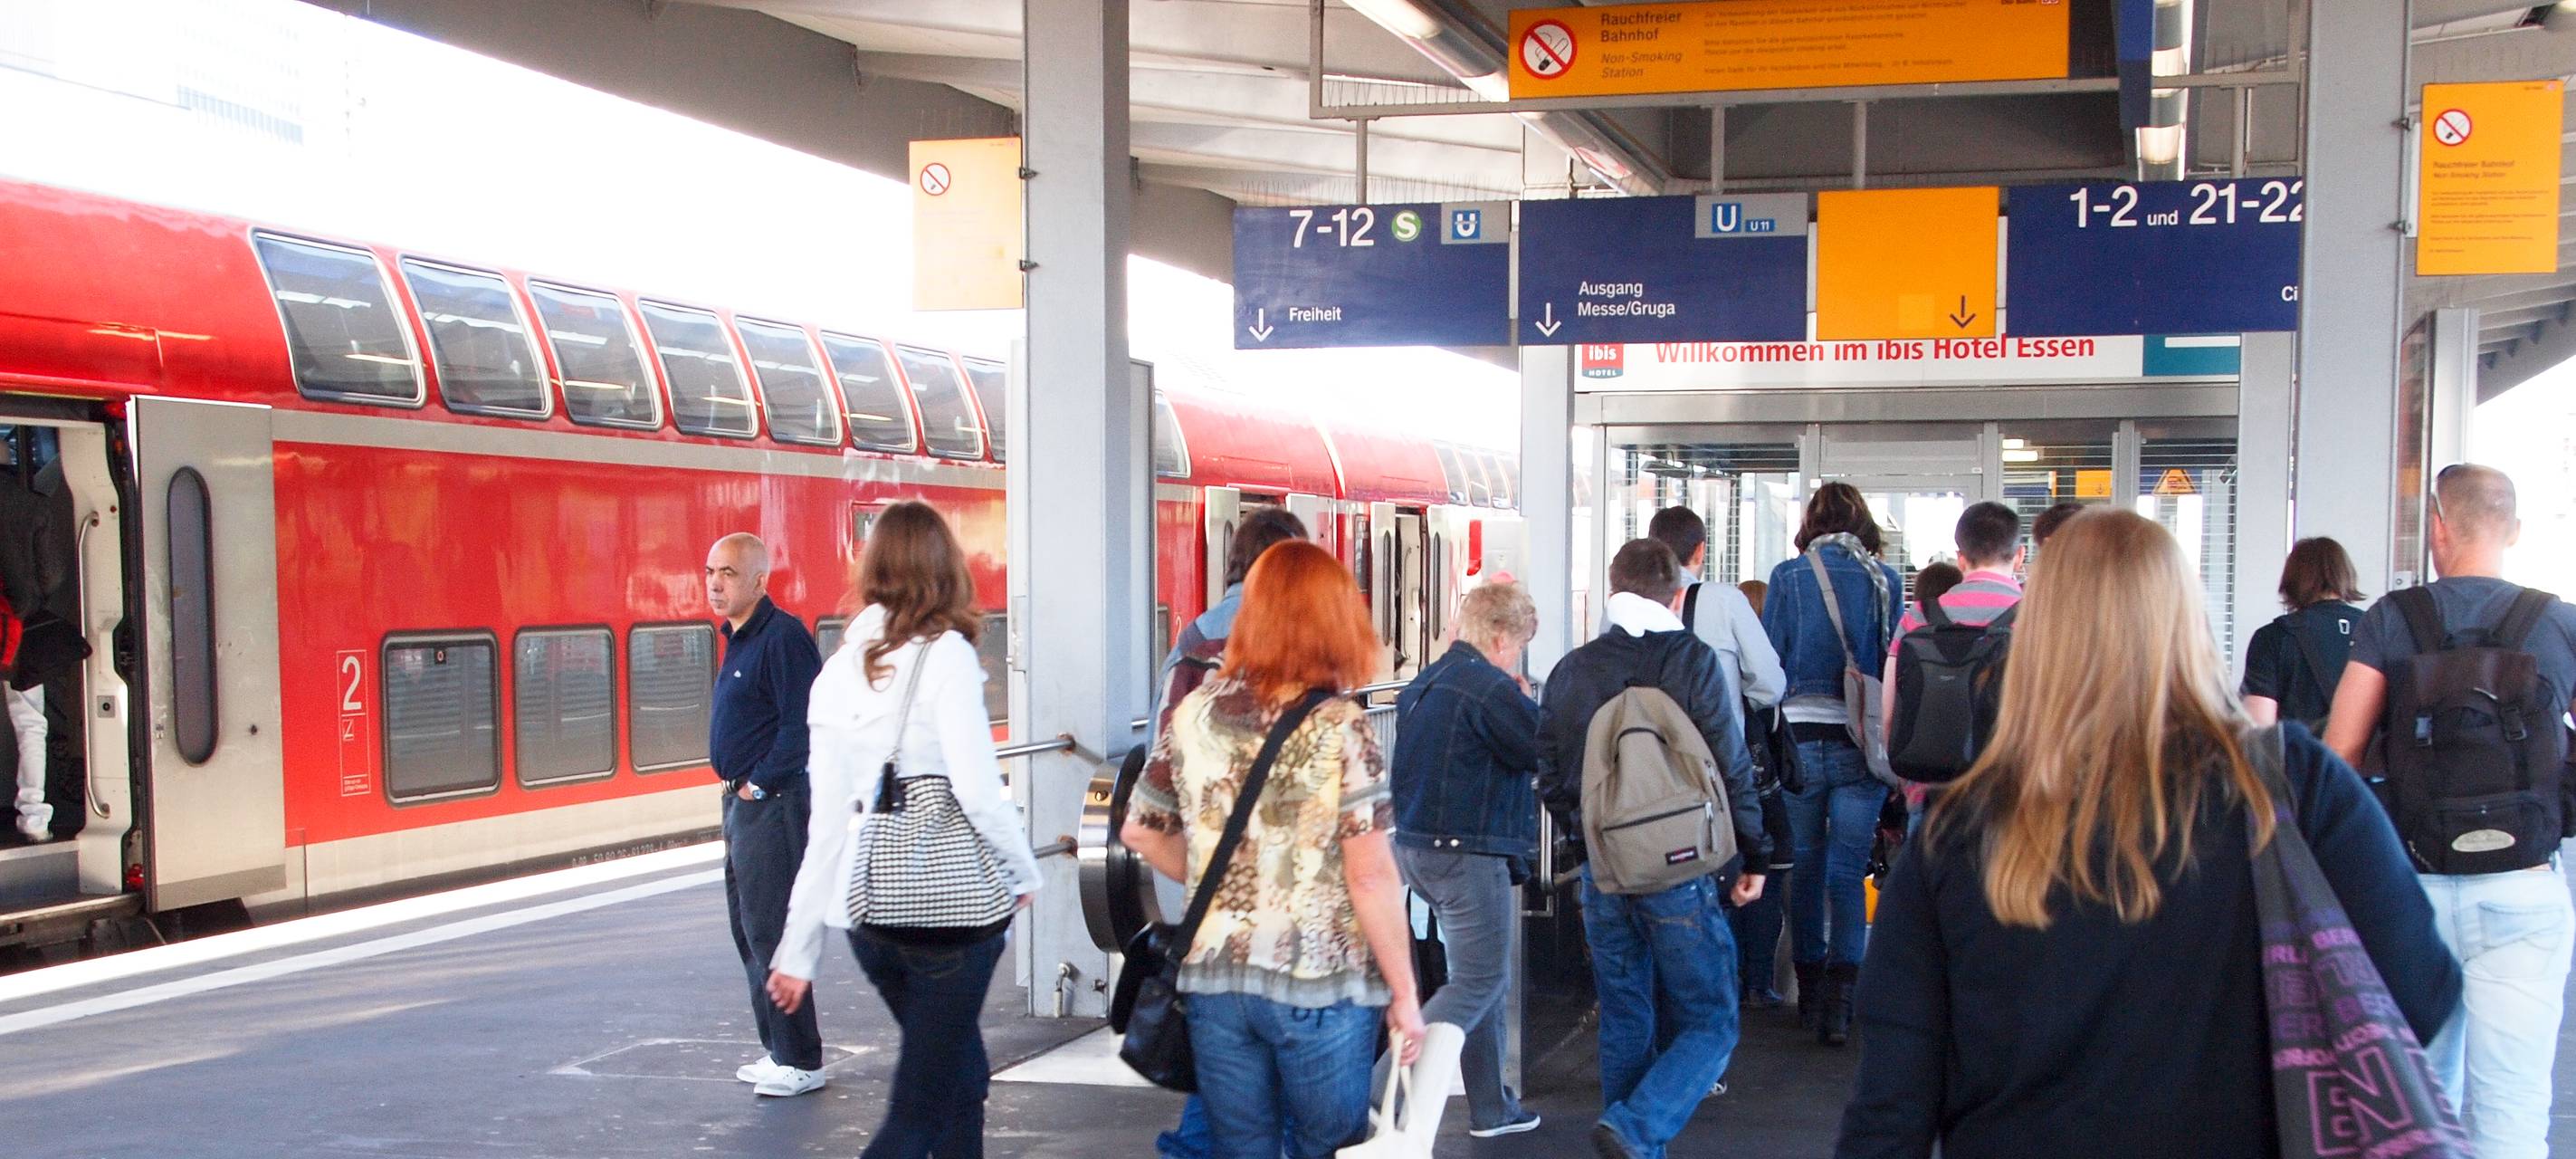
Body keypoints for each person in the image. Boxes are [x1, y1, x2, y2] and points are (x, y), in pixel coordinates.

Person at [1838, 510, 2459, 1159]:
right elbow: (2421, 988)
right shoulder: (2293, 788)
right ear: (2186, 624)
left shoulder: (1958, 830)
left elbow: (1892, 1104)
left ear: (2036, 636)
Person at [1121, 541, 1424, 1159]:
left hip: (1217, 982)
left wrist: (1228, 881)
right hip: (1322, 983)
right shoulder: (1340, 725)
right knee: (1329, 1147)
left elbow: (1141, 829)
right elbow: (1369, 876)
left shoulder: (1195, 712)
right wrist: (1405, 993)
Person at [768, 502, 1041, 1157]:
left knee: (958, 1075)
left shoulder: (835, 672)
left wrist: (797, 951)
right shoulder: (944, 655)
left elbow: (826, 826)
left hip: (873, 918)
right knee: (916, 1113)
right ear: (946, 569)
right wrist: (1022, 873)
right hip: (948, 918)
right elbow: (977, 789)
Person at [2324, 465, 2576, 1159]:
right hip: (2524, 889)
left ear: (2438, 526)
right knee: (2514, 1107)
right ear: (2516, 531)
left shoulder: (2390, 619)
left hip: (2411, 888)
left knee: (2414, 1103)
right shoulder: (2559, 621)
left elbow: (2338, 753)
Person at [1539, 539, 1768, 1159]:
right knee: (1711, 1018)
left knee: (1625, 1013)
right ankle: (1638, 1127)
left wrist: (1588, 845)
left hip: (1603, 871)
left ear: (1612, 589)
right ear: (1676, 594)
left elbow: (1552, 775)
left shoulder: (1573, 668)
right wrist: (1756, 852)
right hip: (1683, 870)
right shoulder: (1691, 661)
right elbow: (1730, 762)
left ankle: (1633, 1134)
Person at [1145, 504, 1307, 1159]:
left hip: (1214, 882)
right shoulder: (1309, 645)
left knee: (1220, 1059)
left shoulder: (1195, 641)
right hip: (1295, 889)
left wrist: (1204, 871)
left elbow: (1161, 761)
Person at [1384, 580, 1543, 1138]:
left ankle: (1492, 1109)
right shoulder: (1489, 690)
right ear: (1501, 637)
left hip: (1417, 849)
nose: (1517, 655)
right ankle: (1374, 1096)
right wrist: (1524, 699)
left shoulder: (1426, 682)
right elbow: (1541, 748)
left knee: (1479, 976)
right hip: (1466, 854)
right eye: (1519, 643)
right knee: (1476, 982)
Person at [1761, 484, 1903, 1046]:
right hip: (1859, 743)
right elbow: (1893, 662)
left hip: (1799, 743)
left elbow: (1770, 663)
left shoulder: (1787, 578)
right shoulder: (1884, 581)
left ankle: (1810, 990)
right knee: (1848, 872)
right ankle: (1843, 1004)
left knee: (1805, 868)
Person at [701, 532, 826, 1097]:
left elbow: (801, 728)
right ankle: (778, 1051)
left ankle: (801, 1059)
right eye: (709, 572)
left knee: (773, 931)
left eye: (727, 572)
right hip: (740, 808)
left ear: (758, 580)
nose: (714, 582)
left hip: (770, 807)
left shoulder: (783, 639)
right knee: (748, 931)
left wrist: (758, 785)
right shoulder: (739, 640)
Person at [1878, 503, 2027, 825]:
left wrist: (1910, 785)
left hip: (1930, 791)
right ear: (2019, 555)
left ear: (1961, 558)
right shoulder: (2038, 617)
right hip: (2010, 798)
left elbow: (1890, 714)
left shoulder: (1917, 617)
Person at [1647, 506, 1786, 710]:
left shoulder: (1621, 608)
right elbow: (1769, 686)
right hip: (1715, 737)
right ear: (1700, 550)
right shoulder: (1725, 600)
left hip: (1642, 738)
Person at [1732, 578, 1795, 1011]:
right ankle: (1760, 981)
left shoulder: (1711, 674)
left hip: (1727, 808)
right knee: (1766, 891)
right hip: (1763, 806)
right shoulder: (1764, 689)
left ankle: (1735, 980)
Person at [2239, 537, 2365, 729]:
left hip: (2302, 756)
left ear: (2292, 579)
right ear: (2345, 574)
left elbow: (2260, 729)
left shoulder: (2274, 637)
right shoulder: (2374, 630)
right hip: (2363, 757)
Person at [0, 456, 46, 842]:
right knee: (30, 723)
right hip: (17, 630)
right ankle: (34, 820)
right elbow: (55, 573)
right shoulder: (33, 505)